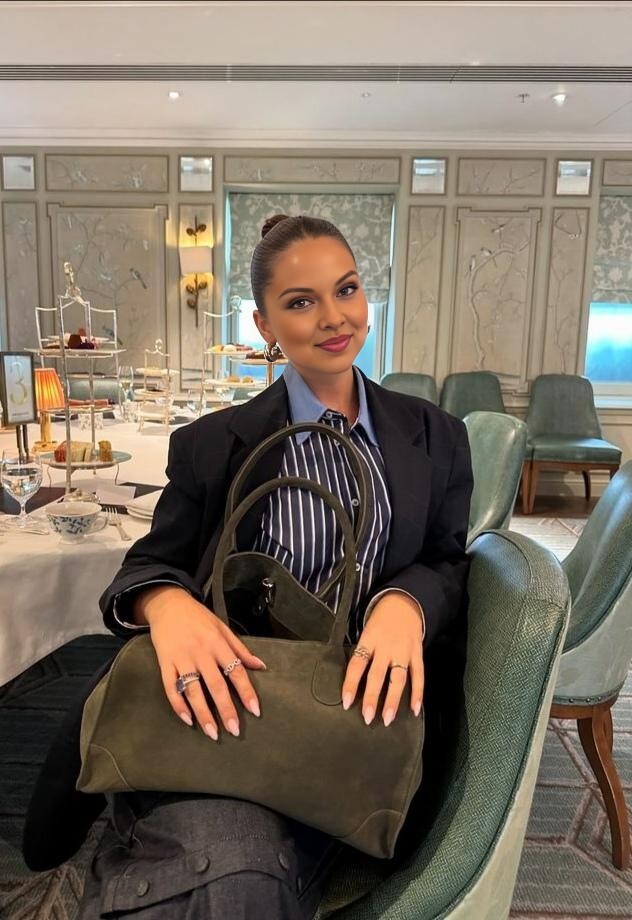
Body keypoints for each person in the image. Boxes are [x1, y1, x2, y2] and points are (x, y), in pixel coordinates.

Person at [79, 214, 473, 919]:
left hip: (350, 726)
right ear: (264, 325)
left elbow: (448, 557)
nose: (334, 318)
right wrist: (167, 606)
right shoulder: (212, 444)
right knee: (234, 870)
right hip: (223, 705)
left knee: (234, 870)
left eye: (346, 290)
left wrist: (405, 602)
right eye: (300, 302)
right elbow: (149, 564)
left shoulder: (435, 436)